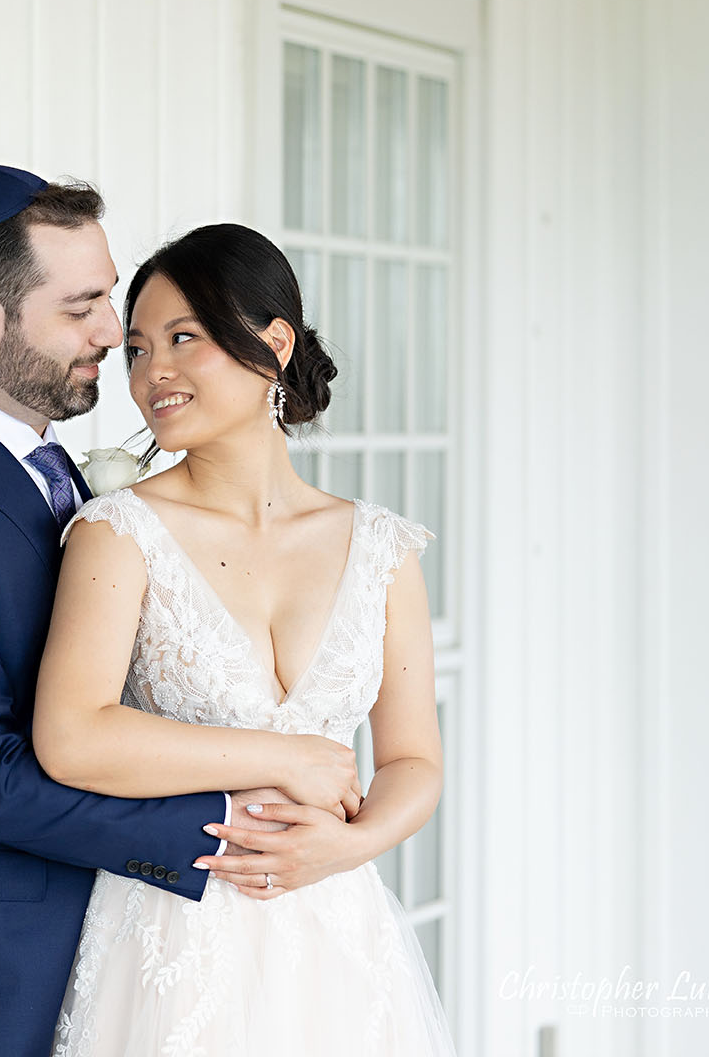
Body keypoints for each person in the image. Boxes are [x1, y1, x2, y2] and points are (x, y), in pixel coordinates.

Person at [0, 168, 361, 1057]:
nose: (114, 334)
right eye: (84, 308)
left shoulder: (81, 485)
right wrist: (224, 826)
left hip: (105, 959)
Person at [37, 222, 452, 1055]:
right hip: (173, 938)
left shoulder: (380, 547)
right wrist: (283, 755)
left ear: (273, 344)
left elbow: (414, 762)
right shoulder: (118, 533)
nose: (154, 373)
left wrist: (350, 843)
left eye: (184, 339)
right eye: (138, 350)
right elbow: (71, 736)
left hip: (338, 937)